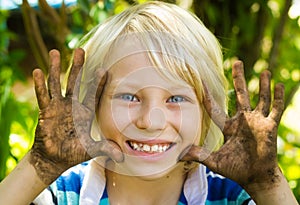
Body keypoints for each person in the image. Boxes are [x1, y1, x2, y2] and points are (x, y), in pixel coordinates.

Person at [0, 1, 298, 204]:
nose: (150, 121)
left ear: (208, 113)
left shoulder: (229, 196)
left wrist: (267, 184)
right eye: (129, 97)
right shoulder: (66, 194)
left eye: (176, 98)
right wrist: (39, 165)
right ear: (93, 105)